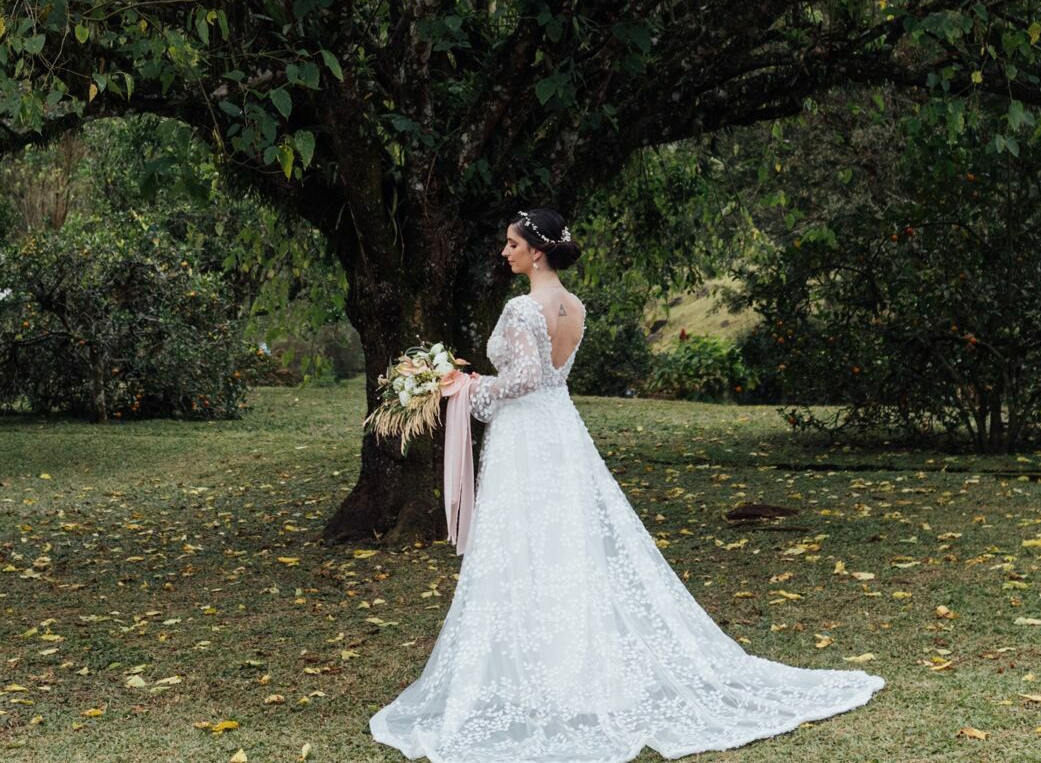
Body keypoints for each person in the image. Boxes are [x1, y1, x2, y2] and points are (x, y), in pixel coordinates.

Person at [369, 207, 884, 762]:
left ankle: (545, 677)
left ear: (537, 252)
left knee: (528, 547)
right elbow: (549, 379)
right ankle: (565, 671)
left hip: (525, 439)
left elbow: (522, 381)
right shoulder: (575, 307)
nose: (505, 252)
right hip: (560, 430)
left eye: (512, 244)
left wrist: (466, 388)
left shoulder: (522, 308)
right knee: (567, 546)